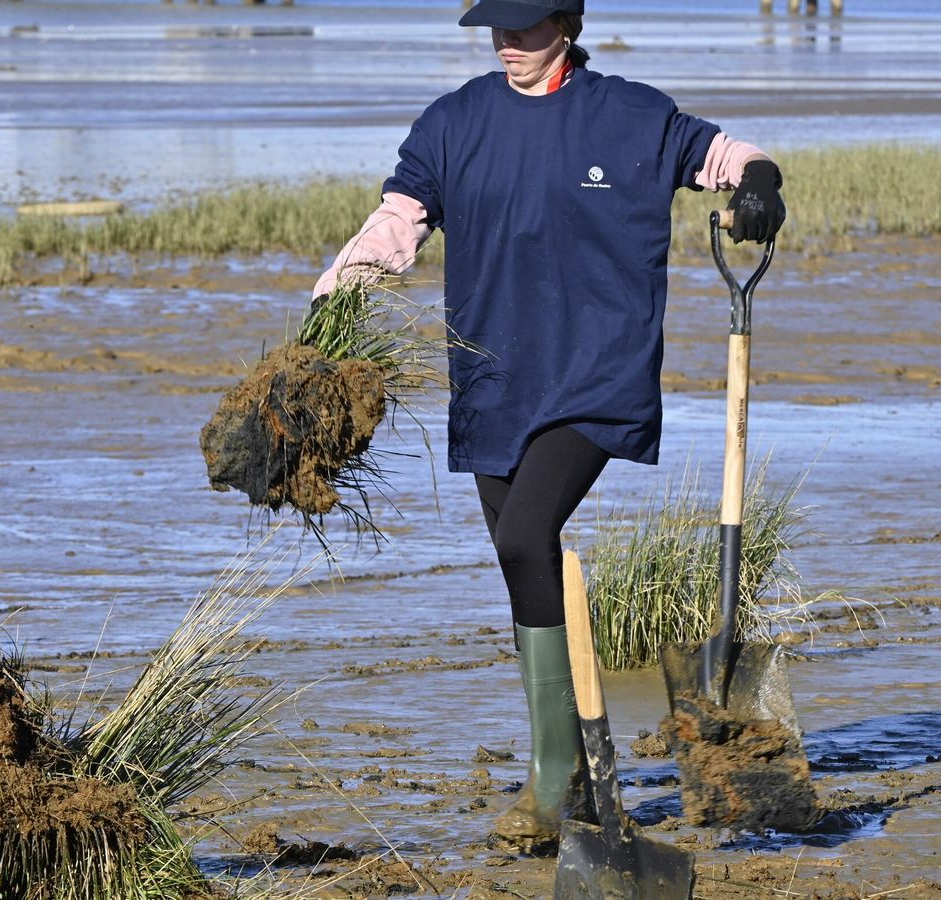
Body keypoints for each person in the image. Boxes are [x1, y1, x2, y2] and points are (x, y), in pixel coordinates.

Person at [312, 0, 785, 848]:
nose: (507, 42)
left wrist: (759, 187)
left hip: (596, 376)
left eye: (525, 27)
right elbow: (399, 218)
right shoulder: (456, 122)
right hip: (495, 384)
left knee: (526, 537)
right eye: (496, 27)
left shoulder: (629, 114)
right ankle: (573, 776)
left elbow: (727, 155)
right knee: (522, 567)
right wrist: (341, 289)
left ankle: (551, 784)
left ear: (565, 25)